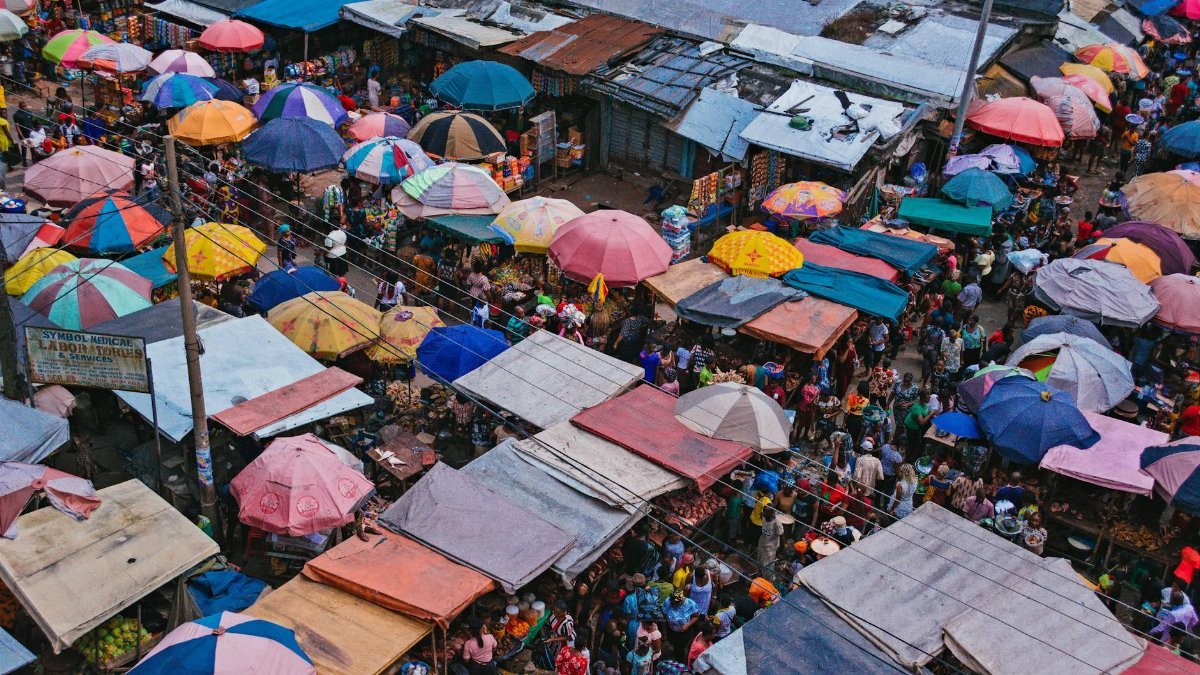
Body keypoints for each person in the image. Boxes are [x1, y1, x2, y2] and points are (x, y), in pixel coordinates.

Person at [661, 591, 700, 661]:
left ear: (681, 602)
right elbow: (664, 618)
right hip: (671, 630)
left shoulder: (691, 604)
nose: (673, 605)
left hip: (684, 632)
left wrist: (687, 625)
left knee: (681, 650)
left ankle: (680, 662)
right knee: (672, 647)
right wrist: (664, 633)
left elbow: (696, 616)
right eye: (672, 603)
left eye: (676, 604)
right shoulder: (667, 602)